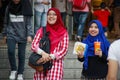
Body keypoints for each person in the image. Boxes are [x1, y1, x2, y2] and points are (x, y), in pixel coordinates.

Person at [31, 8, 69, 80]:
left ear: (58, 17)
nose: (51, 16)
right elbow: (33, 45)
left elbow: (64, 50)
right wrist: (43, 53)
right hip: (41, 63)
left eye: (54, 14)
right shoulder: (42, 30)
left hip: (56, 64)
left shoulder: (63, 32)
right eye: (49, 14)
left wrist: (50, 56)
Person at [2, 0, 33, 80]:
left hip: (22, 34)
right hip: (11, 34)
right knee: (11, 51)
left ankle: (20, 73)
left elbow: (29, 23)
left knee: (21, 54)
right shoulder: (8, 7)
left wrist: (29, 34)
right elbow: (6, 21)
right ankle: (13, 69)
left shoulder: (26, 7)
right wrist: (5, 34)